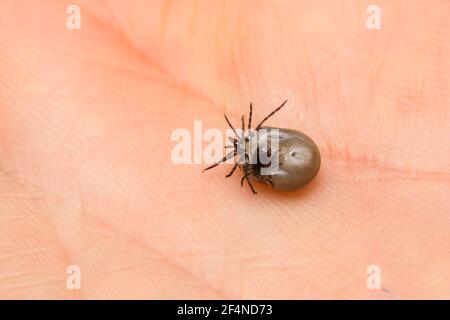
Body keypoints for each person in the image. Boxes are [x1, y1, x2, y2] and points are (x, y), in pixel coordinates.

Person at [0, 1, 449, 299]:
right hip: (275, 161)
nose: (239, 143)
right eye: (241, 142)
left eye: (242, 138)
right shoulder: (255, 156)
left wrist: (252, 163)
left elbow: (255, 161)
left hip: (275, 161)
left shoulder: (252, 160)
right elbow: (257, 157)